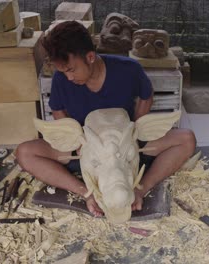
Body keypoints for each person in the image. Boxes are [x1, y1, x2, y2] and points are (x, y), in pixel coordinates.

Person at [16, 21, 196, 217]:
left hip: (125, 150)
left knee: (186, 139)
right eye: (63, 71)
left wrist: (134, 131)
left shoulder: (128, 69)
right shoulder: (62, 79)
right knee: (25, 152)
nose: (68, 77)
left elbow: (146, 95)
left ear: (90, 57)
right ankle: (87, 191)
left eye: (71, 69)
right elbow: (58, 110)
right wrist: (77, 143)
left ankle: (140, 188)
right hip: (86, 150)